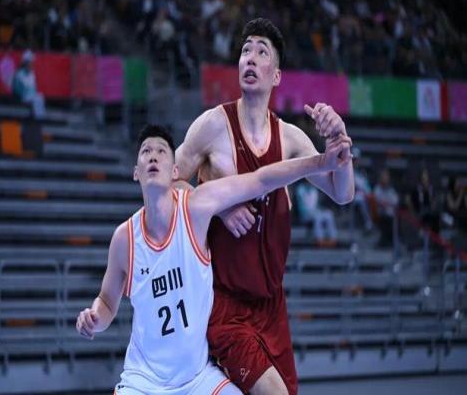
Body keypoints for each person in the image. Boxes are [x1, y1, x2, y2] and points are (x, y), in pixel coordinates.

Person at [75, 124, 350, 395]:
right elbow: (107, 301)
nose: (153, 156)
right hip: (143, 382)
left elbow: (260, 180)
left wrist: (319, 163)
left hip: (198, 379)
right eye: (146, 151)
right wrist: (95, 318)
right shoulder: (124, 239)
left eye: (161, 151)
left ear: (174, 171)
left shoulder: (195, 208)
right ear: (136, 172)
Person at [175, 18, 354, 395]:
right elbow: (168, 184)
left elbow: (343, 193)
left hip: (272, 308)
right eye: (245, 51)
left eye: (261, 52)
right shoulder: (213, 126)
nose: (251, 58)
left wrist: (340, 141)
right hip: (224, 304)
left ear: (276, 76)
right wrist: (218, 206)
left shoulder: (290, 138)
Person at [12, 49, 46, 119]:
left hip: (30, 96)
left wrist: (33, 95)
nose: (32, 64)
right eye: (30, 63)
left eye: (32, 62)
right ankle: (38, 118)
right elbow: (16, 89)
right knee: (37, 99)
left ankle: (38, 117)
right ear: (25, 63)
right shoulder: (19, 74)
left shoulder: (31, 74)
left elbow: (33, 89)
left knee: (39, 97)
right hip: (23, 97)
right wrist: (23, 94)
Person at [373, 168, 399, 247]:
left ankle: (391, 241)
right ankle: (385, 242)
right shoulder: (377, 189)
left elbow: (395, 201)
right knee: (388, 221)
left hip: (391, 213)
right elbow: (378, 201)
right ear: (380, 178)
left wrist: (388, 203)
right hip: (381, 214)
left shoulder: (391, 189)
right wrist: (386, 204)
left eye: (387, 177)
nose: (386, 179)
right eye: (384, 177)